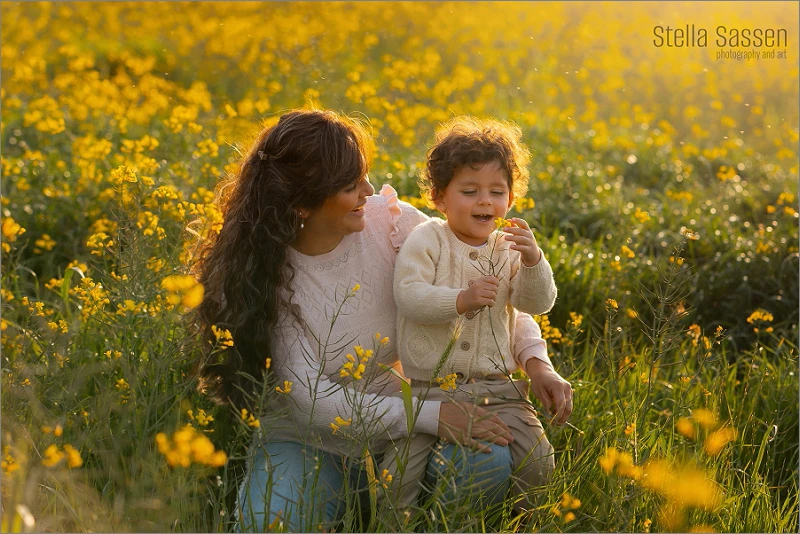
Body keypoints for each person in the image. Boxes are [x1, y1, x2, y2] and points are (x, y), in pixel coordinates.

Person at [191, 109, 573, 532]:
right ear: (301, 203)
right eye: (350, 184)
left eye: (364, 175)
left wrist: (537, 362)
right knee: (271, 525)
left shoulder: (391, 222)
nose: (368, 191)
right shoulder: (270, 278)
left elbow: (489, 304)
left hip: (407, 423)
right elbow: (309, 400)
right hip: (311, 440)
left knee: (486, 458)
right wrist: (432, 415)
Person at [379, 116, 558, 512]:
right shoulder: (427, 239)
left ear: (510, 200)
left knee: (538, 462)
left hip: (499, 389)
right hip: (431, 390)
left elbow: (536, 304)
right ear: (440, 198)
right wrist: (459, 300)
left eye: (497, 191)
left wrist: (532, 260)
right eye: (470, 190)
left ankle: (521, 519)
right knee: (399, 474)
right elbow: (408, 295)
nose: (485, 201)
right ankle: (394, 522)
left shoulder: (508, 246)